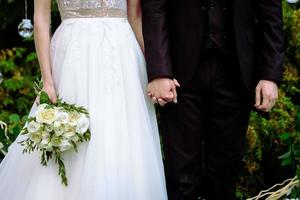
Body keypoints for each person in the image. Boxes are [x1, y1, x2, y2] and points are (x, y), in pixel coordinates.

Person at [0, 0, 168, 199]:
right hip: (73, 56)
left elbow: (135, 16)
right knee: (77, 136)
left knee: (122, 136)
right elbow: (41, 20)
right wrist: (48, 81)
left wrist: (157, 72)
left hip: (123, 57)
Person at [142, 0, 284, 199]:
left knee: (225, 176)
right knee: (181, 177)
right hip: (180, 74)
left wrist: (270, 74)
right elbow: (154, 8)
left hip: (235, 73)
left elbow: (271, 11)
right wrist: (159, 71)